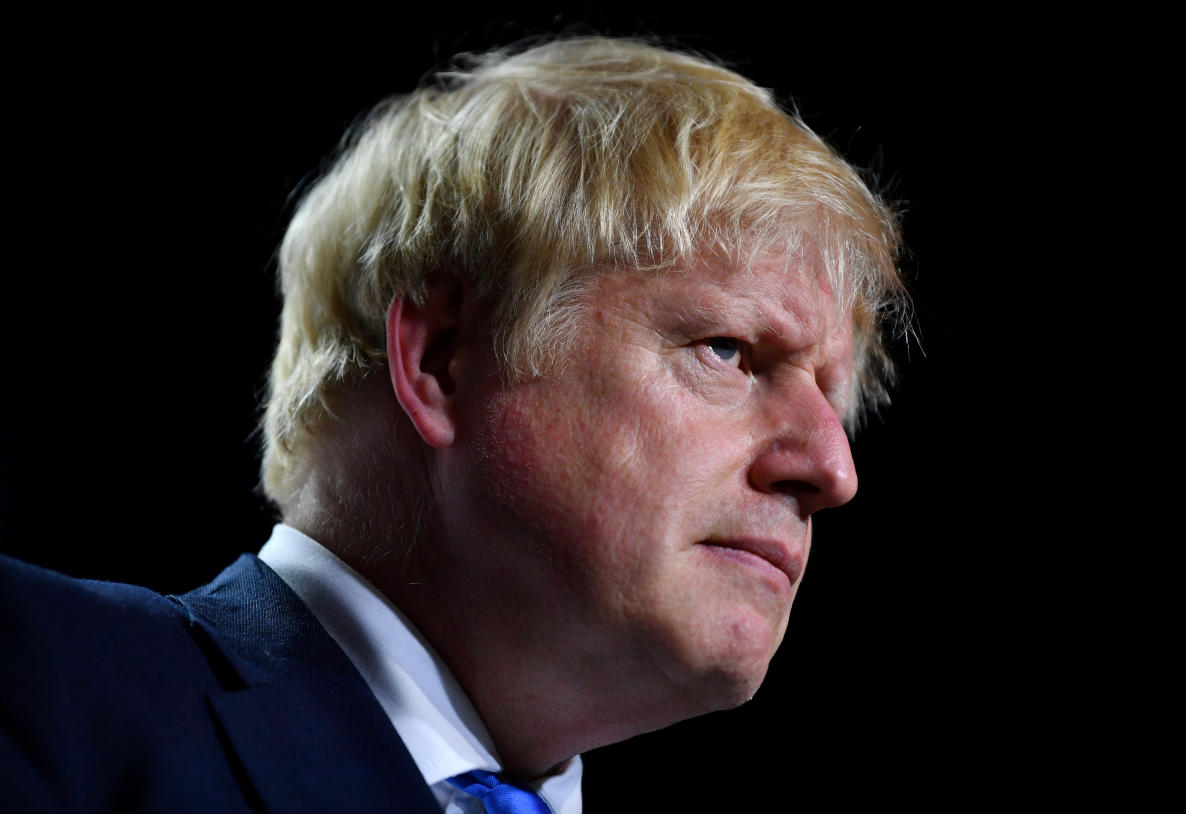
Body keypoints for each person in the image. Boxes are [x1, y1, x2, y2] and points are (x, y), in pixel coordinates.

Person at [0, 36, 906, 812]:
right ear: (441, 358)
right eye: (730, 351)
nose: (832, 468)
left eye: (832, 397)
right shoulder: (34, 676)